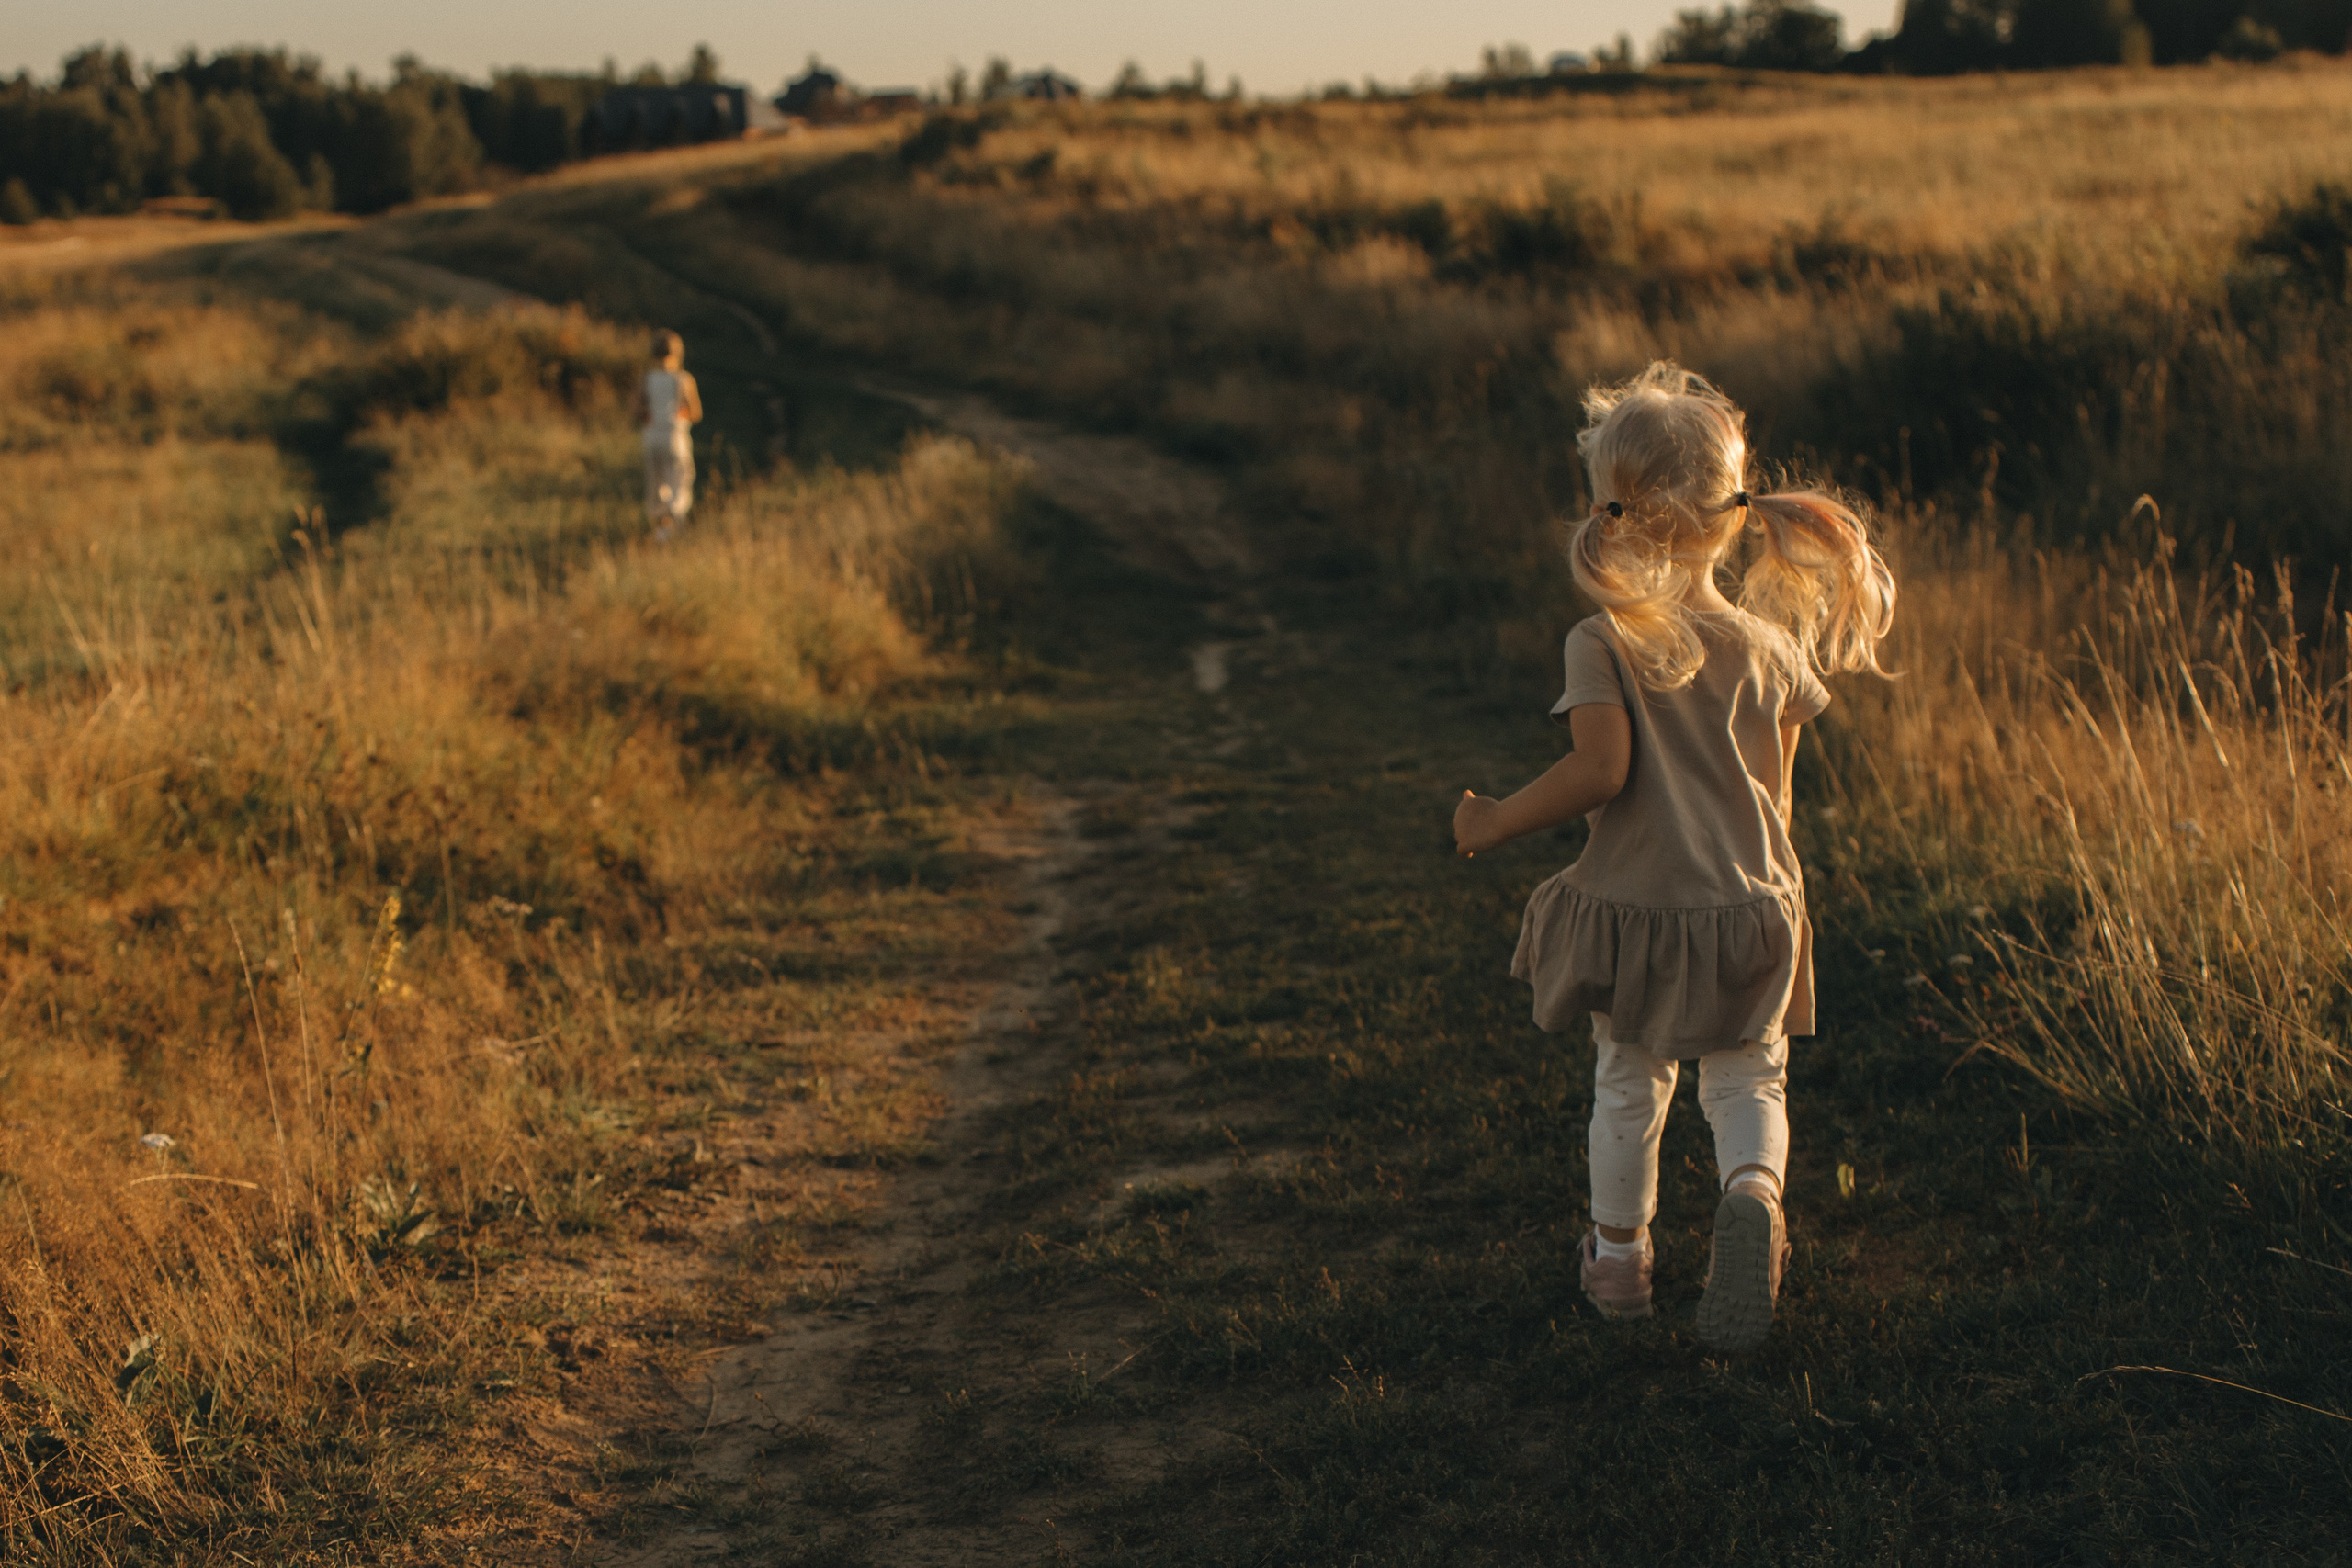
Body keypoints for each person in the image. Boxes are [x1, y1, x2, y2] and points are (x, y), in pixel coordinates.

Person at [1452, 362, 1894, 1351]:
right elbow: (1775, 799)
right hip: (1752, 906)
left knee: (1628, 1082)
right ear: (1730, 520)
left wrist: (1494, 820)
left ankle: (1619, 1264)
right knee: (1748, 1084)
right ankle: (1753, 1197)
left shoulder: (1602, 641)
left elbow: (1600, 771)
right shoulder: (1770, 647)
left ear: (1614, 516)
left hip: (1641, 910)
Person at [630, 329, 703, 539]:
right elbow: (695, 413)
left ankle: (660, 528)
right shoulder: (683, 379)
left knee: (657, 483)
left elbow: (636, 411)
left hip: (652, 438)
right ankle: (674, 528)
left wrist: (649, 415)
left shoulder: (646, 379)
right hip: (675, 438)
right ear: (678, 352)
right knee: (679, 482)